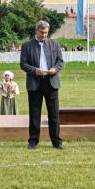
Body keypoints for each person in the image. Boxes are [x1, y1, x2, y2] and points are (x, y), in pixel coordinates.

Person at [19, 19, 65, 149]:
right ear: (36, 31)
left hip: (51, 83)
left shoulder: (54, 44)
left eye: (46, 33)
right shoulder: (27, 46)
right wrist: (34, 71)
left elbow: (60, 61)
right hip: (35, 83)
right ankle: (33, 141)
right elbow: (23, 64)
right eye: (41, 33)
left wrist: (54, 69)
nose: (44, 35)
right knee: (34, 113)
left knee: (54, 113)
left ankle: (56, 141)